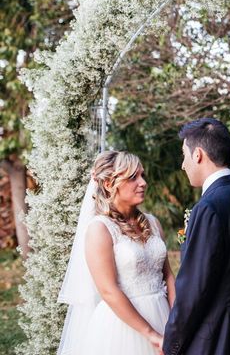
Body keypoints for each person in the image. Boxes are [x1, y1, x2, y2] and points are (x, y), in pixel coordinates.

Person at [163, 118, 230, 355]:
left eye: (184, 155)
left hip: (219, 339)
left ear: (198, 154)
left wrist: (171, 344)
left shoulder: (209, 207)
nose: (183, 165)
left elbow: (193, 288)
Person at [57, 151, 175, 355]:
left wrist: (177, 319)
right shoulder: (100, 229)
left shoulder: (153, 223)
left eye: (142, 175)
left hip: (164, 315)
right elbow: (108, 290)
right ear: (109, 184)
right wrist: (152, 335)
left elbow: (168, 275)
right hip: (123, 328)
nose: (143, 183)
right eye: (133, 177)